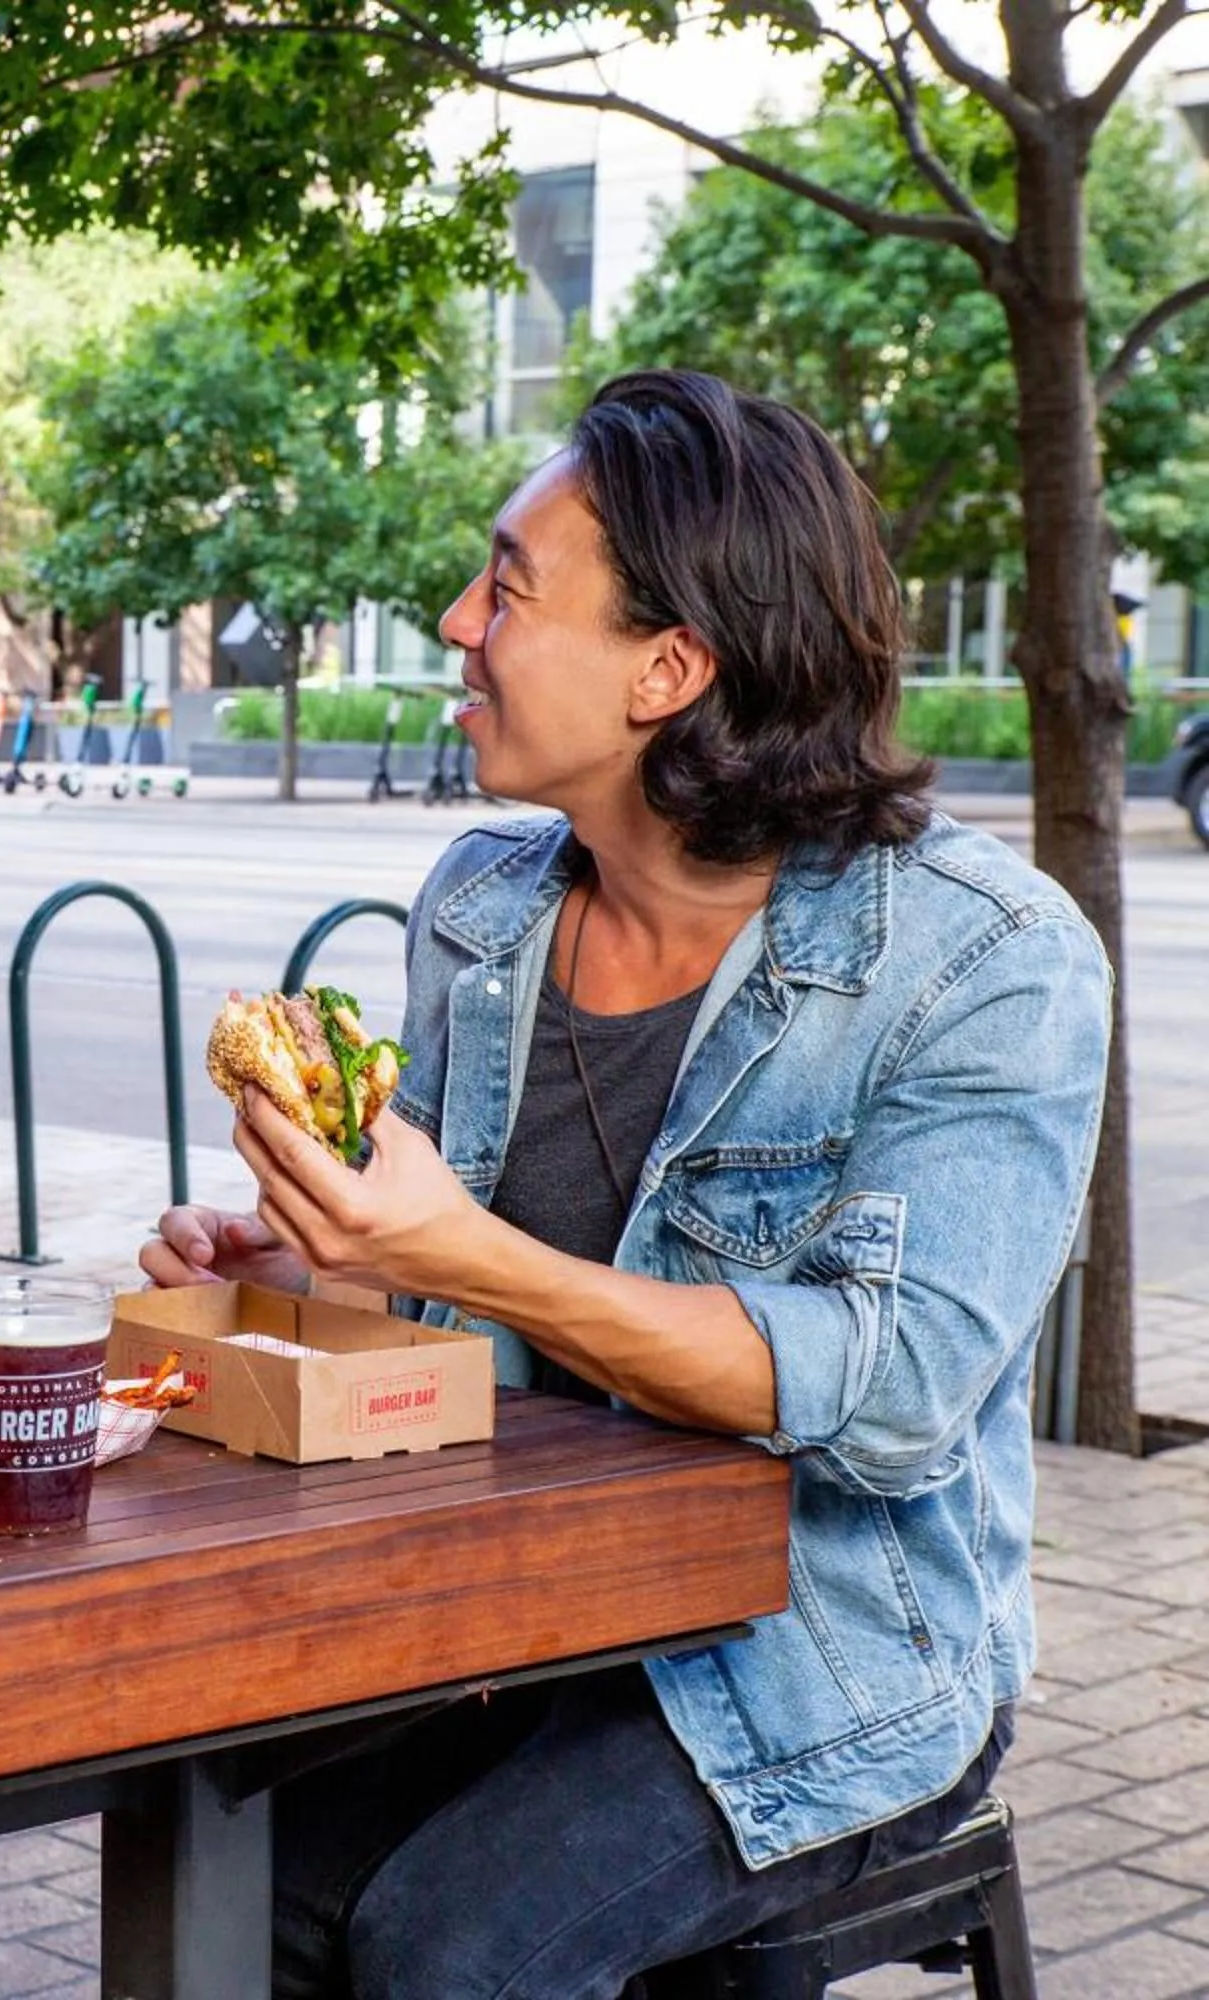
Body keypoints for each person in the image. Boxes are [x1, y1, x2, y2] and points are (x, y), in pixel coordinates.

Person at [145, 369, 1107, 1996]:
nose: (458, 617)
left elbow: (896, 1399)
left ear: (670, 669)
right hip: (526, 1610)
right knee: (213, 1862)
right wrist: (322, 1267)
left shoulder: (985, 964)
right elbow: (459, 1329)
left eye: (509, 588)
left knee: (448, 1947)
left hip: (832, 1646)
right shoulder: (485, 911)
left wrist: (471, 1251)